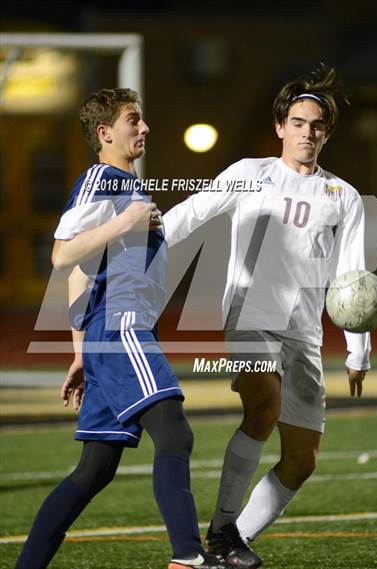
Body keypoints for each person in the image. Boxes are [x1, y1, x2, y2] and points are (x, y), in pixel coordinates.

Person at [163, 65, 371, 568]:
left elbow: (353, 280)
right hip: (250, 313)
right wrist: (135, 250)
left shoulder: (344, 197)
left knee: (302, 460)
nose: (307, 132)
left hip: (304, 331)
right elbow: (188, 215)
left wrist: (359, 348)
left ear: (327, 133)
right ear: (281, 127)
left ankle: (227, 539)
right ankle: (222, 536)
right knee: (262, 407)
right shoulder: (249, 174)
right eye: (298, 122)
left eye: (316, 125)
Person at [15, 88, 227, 569]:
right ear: (104, 133)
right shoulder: (102, 180)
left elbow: (80, 275)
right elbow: (62, 255)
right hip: (122, 329)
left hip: (104, 338)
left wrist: (79, 354)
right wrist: (125, 222)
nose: (145, 128)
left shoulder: (126, 188)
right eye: (134, 120)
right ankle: (188, 556)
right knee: (174, 434)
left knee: (93, 471)